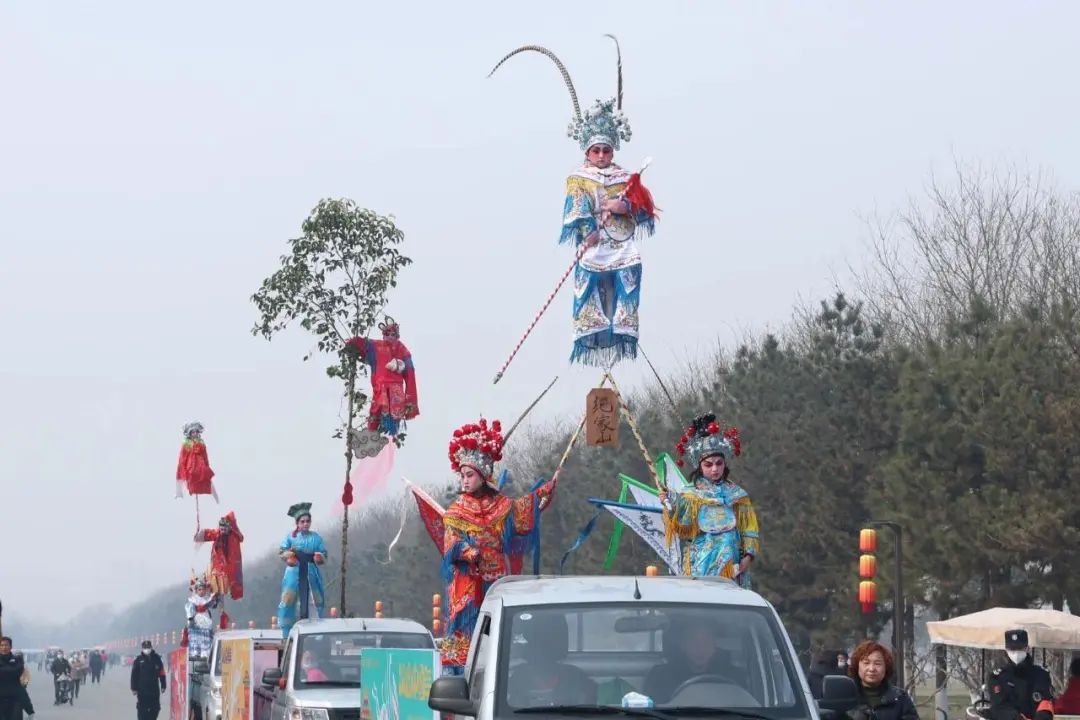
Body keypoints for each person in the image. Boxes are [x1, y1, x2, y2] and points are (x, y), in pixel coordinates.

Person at [488, 41, 657, 367]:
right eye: (597, 151)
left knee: (630, 266)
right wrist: (588, 229)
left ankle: (623, 322)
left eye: (606, 151)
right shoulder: (578, 178)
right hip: (594, 242)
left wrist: (627, 209)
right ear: (587, 152)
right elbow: (577, 208)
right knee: (590, 276)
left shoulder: (625, 176)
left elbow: (642, 207)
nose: (602, 157)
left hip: (620, 241)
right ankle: (593, 327)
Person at [438, 418, 557, 673]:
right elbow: (451, 543)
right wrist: (469, 552)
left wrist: (542, 494)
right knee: (466, 634)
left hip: (496, 576)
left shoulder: (502, 505)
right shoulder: (456, 510)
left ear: (483, 476)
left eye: (469, 475)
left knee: (499, 624)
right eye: (462, 476)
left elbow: (524, 514)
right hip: (469, 579)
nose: (465, 481)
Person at [660, 413, 760, 584]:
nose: (714, 469)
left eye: (719, 463)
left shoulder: (737, 495)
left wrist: (748, 557)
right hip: (701, 558)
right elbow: (682, 523)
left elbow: (749, 529)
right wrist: (670, 499)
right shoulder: (690, 494)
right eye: (708, 464)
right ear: (699, 466)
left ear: (724, 464)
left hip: (733, 561)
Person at [344, 316, 420, 435]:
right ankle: (374, 442)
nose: (390, 336)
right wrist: (352, 343)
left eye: (393, 333)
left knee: (390, 430)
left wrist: (410, 402)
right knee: (374, 424)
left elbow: (410, 376)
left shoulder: (403, 350)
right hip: (380, 390)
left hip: (395, 393)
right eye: (387, 333)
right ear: (383, 334)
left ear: (397, 335)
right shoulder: (376, 346)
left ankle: (387, 441)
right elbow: (361, 343)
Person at [643, 618, 742, 704]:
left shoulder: (734, 677)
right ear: (682, 645)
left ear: (715, 644)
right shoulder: (659, 677)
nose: (700, 647)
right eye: (692, 639)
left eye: (707, 639)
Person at [276, 502, 328, 637]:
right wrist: (290, 557)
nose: (305, 524)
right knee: (288, 599)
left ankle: (316, 632)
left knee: (316, 600)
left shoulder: (316, 537)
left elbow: (324, 553)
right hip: (294, 572)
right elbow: (282, 552)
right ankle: (286, 633)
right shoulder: (290, 537)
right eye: (302, 521)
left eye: (308, 521)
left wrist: (319, 557)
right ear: (297, 523)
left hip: (311, 571)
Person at [990, 629, 1054, 720]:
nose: (1016, 653)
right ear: (1006, 650)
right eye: (1012, 649)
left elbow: (1046, 703)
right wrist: (1016, 717)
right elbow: (998, 707)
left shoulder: (1041, 675)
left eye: (1020, 648)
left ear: (1027, 648)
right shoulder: (997, 677)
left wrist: (1042, 716)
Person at [846, 640, 918, 720]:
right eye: (866, 663)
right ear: (857, 666)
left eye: (877, 663)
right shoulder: (844, 696)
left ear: (886, 667)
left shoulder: (900, 698)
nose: (872, 669)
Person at [195, 511, 245, 601]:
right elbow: (208, 534)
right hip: (218, 564)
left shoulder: (233, 537)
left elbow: (235, 551)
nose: (223, 530)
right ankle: (215, 600)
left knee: (229, 582)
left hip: (230, 564)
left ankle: (223, 601)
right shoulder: (217, 534)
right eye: (221, 528)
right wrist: (199, 534)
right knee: (216, 583)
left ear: (229, 527)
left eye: (225, 528)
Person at [176, 420, 218, 500]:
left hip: (201, 467)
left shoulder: (201, 443)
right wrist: (184, 471)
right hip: (191, 467)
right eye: (193, 432)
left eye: (196, 432)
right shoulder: (187, 444)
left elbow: (205, 456)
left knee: (203, 480)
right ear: (189, 433)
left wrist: (206, 466)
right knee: (193, 479)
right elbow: (182, 459)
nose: (195, 434)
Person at [130, 640, 166, 720]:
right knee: (142, 711)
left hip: (154, 690)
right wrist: (133, 688)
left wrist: (163, 685)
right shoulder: (138, 660)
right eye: (145, 648)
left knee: (156, 709)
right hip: (142, 690)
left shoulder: (157, 659)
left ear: (151, 647)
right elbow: (134, 675)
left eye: (148, 647)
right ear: (142, 648)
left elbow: (162, 672)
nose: (147, 649)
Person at [0, 637, 29, 720]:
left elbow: (18, 671)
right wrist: (10, 670)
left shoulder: (18, 660)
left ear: (10, 647)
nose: (4, 647)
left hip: (15, 699)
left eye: (6, 645)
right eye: (1, 645)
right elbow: (13, 671)